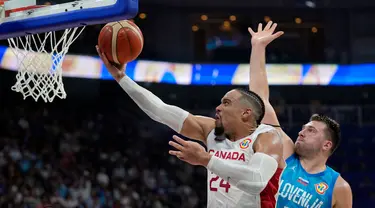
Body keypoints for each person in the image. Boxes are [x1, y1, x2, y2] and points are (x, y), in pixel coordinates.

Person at [95, 24, 285, 207]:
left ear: (246, 113)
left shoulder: (267, 137)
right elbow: (160, 110)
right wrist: (122, 78)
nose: (218, 108)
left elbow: (256, 181)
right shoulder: (212, 131)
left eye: (226, 103)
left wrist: (206, 159)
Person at [248, 21, 353, 208]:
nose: (301, 132)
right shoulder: (285, 151)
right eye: (303, 128)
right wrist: (258, 47)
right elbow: (259, 101)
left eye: (311, 131)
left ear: (326, 144)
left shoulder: (339, 187)